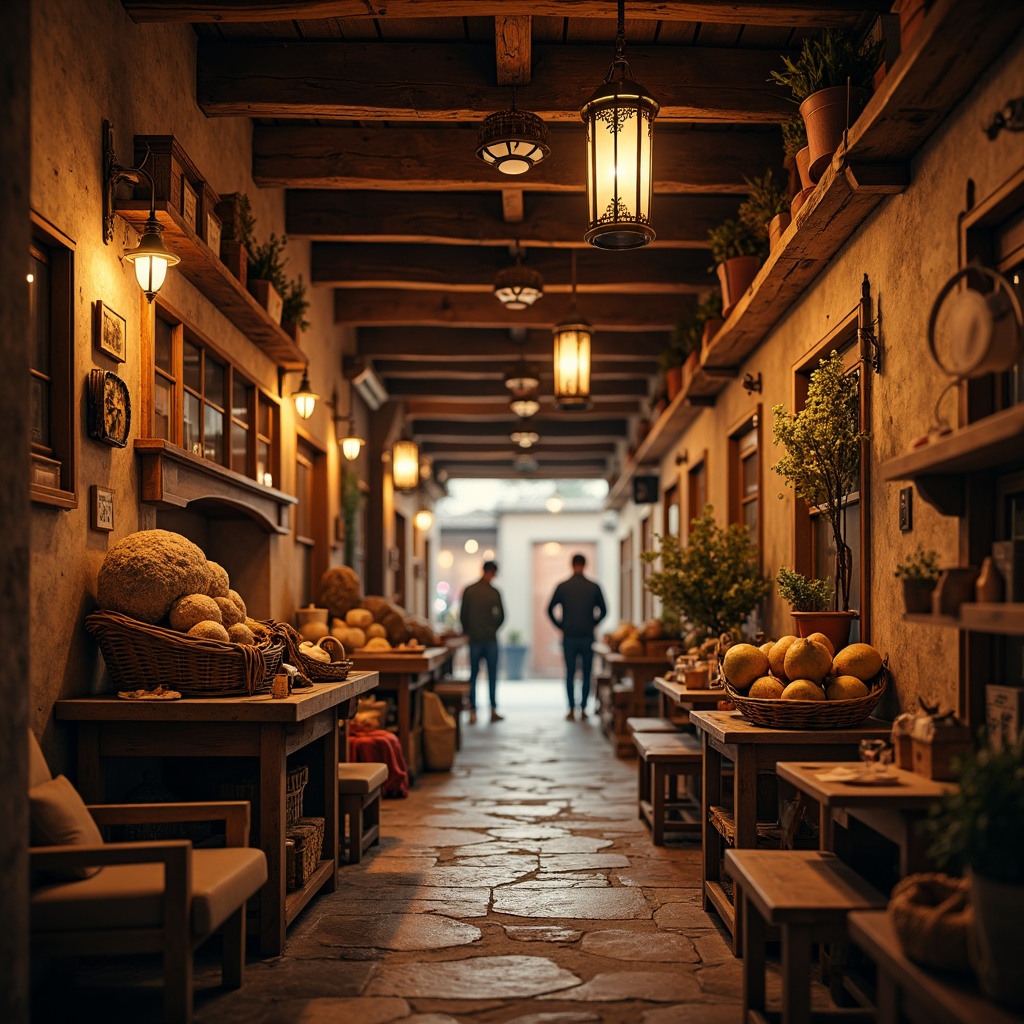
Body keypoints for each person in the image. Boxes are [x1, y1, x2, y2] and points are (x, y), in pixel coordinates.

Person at [547, 553, 607, 720]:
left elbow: (549, 609)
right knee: (587, 672)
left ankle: (571, 709)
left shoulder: (563, 586)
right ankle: (584, 709)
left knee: (570, 672)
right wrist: (593, 623)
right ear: (584, 565)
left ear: (572, 565)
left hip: (569, 636)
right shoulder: (593, 586)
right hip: (587, 636)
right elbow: (604, 610)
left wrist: (561, 626)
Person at [459, 560, 505, 723]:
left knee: (473, 675)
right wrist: (493, 628)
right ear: (493, 573)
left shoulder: (469, 590)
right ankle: (493, 709)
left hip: (475, 639)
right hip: (490, 640)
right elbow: (502, 616)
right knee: (492, 675)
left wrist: (468, 632)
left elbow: (463, 615)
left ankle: (473, 711)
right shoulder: (494, 592)